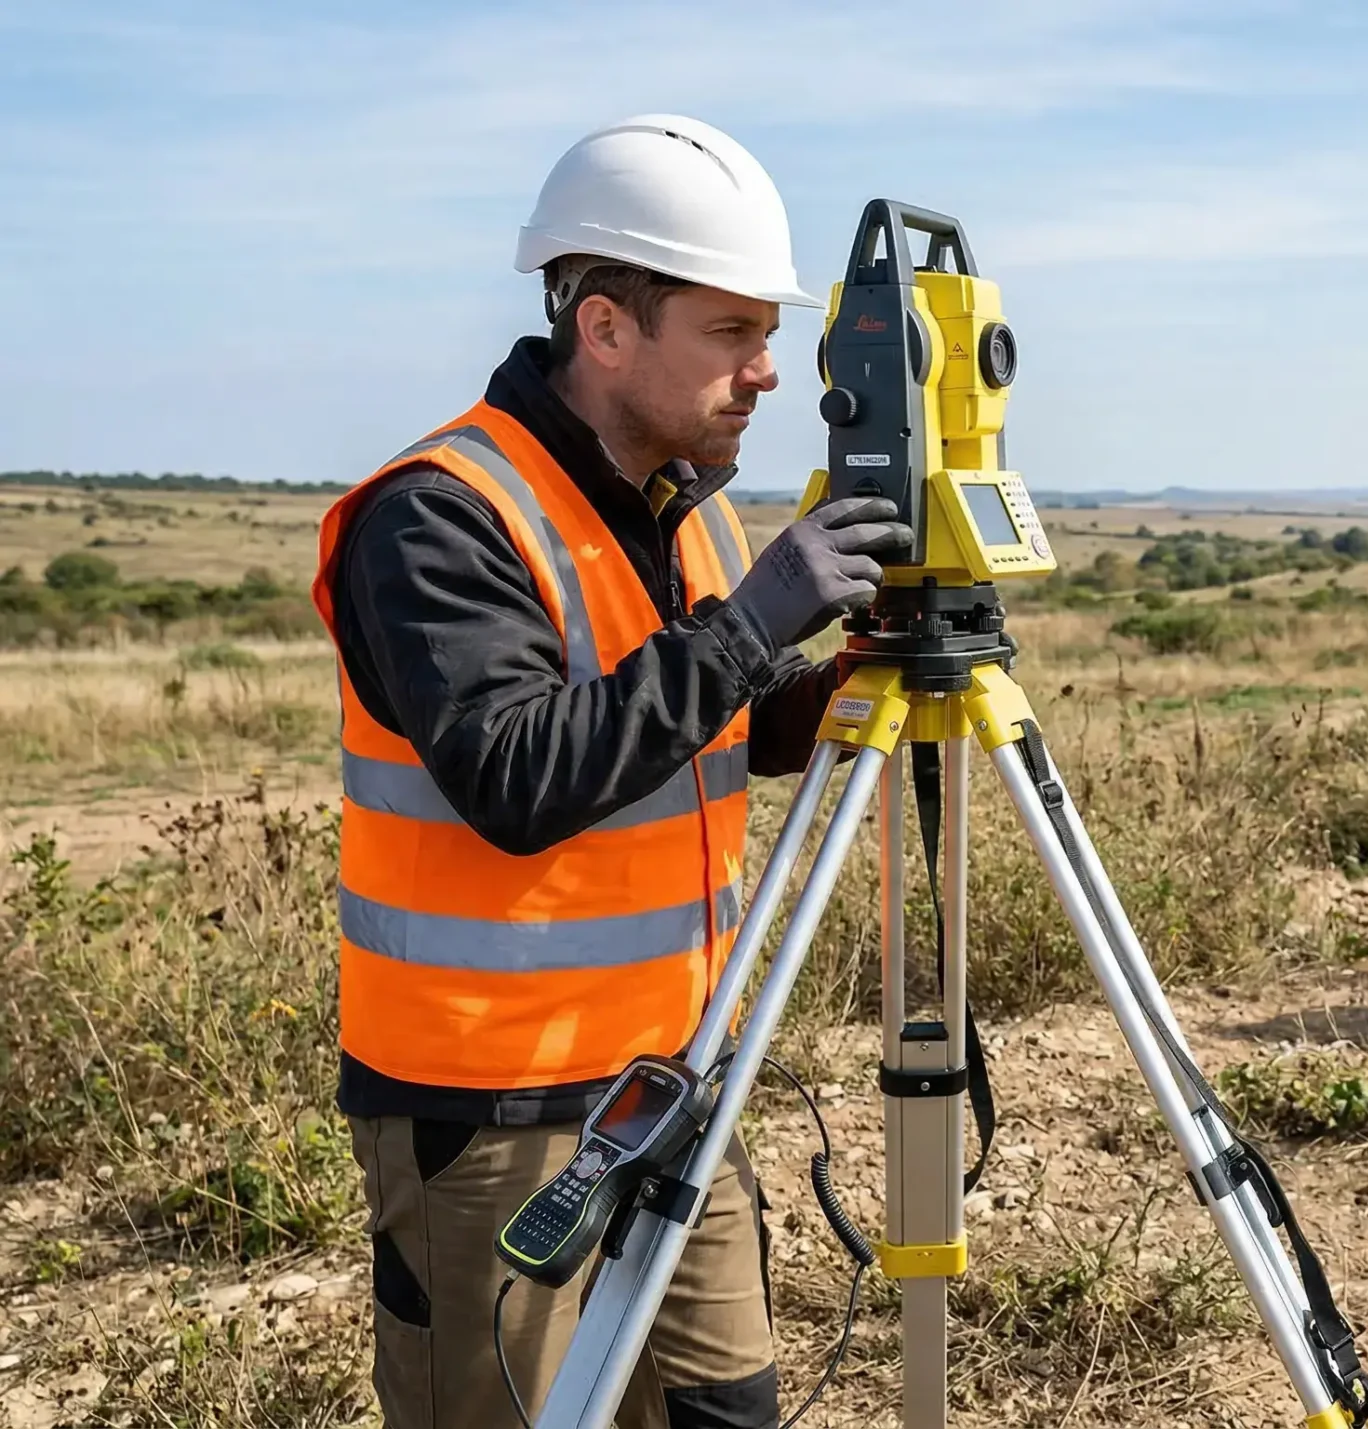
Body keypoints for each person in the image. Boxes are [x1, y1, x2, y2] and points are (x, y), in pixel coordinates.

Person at [312, 115, 910, 1429]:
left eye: (771, 336)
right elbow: (520, 775)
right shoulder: (441, 516)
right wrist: (753, 625)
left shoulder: (683, 505)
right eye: (734, 334)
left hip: (673, 1077)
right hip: (493, 1112)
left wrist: (846, 679)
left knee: (723, 1411)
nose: (768, 374)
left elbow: (693, 731)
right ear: (604, 330)